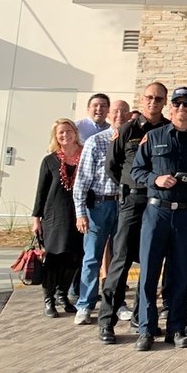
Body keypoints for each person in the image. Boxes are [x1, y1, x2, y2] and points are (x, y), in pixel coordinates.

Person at [129, 86, 187, 351]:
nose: (182, 107)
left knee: (181, 273)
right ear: (170, 106)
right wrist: (156, 179)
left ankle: (177, 326)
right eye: (177, 102)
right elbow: (136, 171)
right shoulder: (153, 137)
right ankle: (146, 328)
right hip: (157, 212)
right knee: (149, 273)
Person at [99, 82, 167, 344]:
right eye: (149, 98)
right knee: (120, 262)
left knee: (151, 263)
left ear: (164, 101)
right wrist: (130, 187)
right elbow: (112, 166)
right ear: (143, 98)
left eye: (159, 99)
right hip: (133, 202)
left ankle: (142, 317)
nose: (153, 102)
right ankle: (107, 321)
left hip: (157, 203)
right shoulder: (128, 129)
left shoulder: (167, 130)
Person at [71, 99, 129, 324]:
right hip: (98, 206)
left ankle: (117, 302)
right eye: (116, 112)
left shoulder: (132, 142)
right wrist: (80, 212)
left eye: (124, 112)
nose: (119, 116)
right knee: (92, 257)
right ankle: (85, 304)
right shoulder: (96, 142)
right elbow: (82, 180)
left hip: (123, 206)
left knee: (119, 258)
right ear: (109, 114)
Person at [32, 119, 84, 318]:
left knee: (74, 257)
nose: (65, 135)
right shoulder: (50, 160)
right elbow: (41, 192)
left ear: (75, 132)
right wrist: (36, 218)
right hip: (54, 217)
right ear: (56, 136)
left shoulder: (85, 155)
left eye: (68, 131)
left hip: (78, 215)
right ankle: (49, 298)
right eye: (61, 133)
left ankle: (63, 293)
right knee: (54, 259)